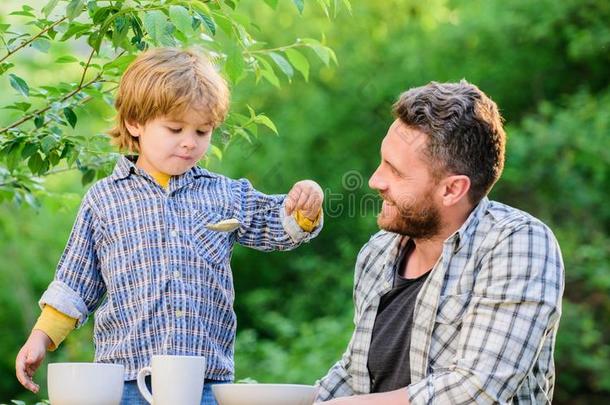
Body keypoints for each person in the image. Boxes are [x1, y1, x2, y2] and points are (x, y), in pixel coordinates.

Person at [15, 47, 324, 405]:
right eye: (175, 128)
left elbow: (277, 224)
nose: (190, 141)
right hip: (125, 381)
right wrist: (40, 339)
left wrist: (306, 204)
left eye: (202, 131)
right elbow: (74, 284)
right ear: (135, 123)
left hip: (205, 382)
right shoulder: (104, 200)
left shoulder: (223, 194)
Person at [315, 80, 564, 404]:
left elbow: (475, 390)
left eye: (395, 170)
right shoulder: (377, 254)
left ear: (452, 190)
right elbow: (353, 378)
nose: (376, 180)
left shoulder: (519, 245)